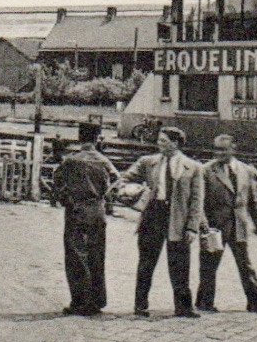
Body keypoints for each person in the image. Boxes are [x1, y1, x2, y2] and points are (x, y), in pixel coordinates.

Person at [120, 126, 208, 319]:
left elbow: (196, 201)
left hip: (178, 219)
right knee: (146, 264)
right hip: (153, 217)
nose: (158, 144)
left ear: (175, 143)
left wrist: (193, 227)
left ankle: (184, 307)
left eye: (163, 141)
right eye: (159, 141)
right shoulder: (147, 162)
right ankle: (140, 305)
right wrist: (128, 191)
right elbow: (125, 178)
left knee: (180, 265)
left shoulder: (193, 167)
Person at [198, 134, 257, 314]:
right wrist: (203, 222)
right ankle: (205, 301)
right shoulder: (206, 170)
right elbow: (199, 201)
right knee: (209, 265)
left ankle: (256, 301)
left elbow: (253, 199)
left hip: (239, 225)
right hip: (214, 227)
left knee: (245, 265)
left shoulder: (246, 171)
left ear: (233, 149)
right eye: (216, 149)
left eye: (223, 149)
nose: (218, 153)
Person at [51, 121, 117, 316]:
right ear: (97, 139)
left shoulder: (71, 160)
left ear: (80, 138)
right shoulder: (104, 161)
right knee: (97, 254)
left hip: (77, 210)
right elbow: (115, 182)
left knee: (76, 255)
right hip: (97, 210)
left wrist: (66, 199)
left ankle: (80, 301)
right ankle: (97, 301)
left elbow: (57, 183)